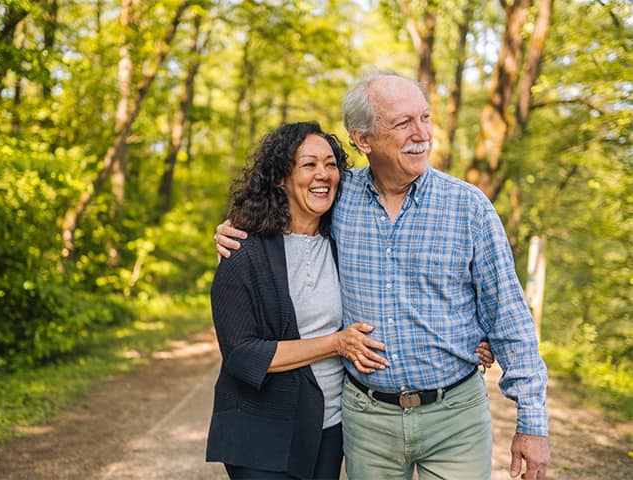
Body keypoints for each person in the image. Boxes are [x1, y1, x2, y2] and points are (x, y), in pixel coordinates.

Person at [215, 71, 550, 479]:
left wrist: (532, 422)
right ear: (363, 140)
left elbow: (509, 317)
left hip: (455, 417)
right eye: (403, 122)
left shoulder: (469, 208)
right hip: (367, 420)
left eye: (424, 118)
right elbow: (288, 208)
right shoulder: (339, 198)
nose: (421, 132)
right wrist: (234, 227)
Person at [207, 121, 390, 479]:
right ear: (281, 178)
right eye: (308, 164)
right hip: (261, 428)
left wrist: (468, 337)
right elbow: (243, 355)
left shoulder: (345, 244)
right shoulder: (243, 250)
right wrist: (335, 343)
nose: (323, 174)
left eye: (331, 164)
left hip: (330, 426)